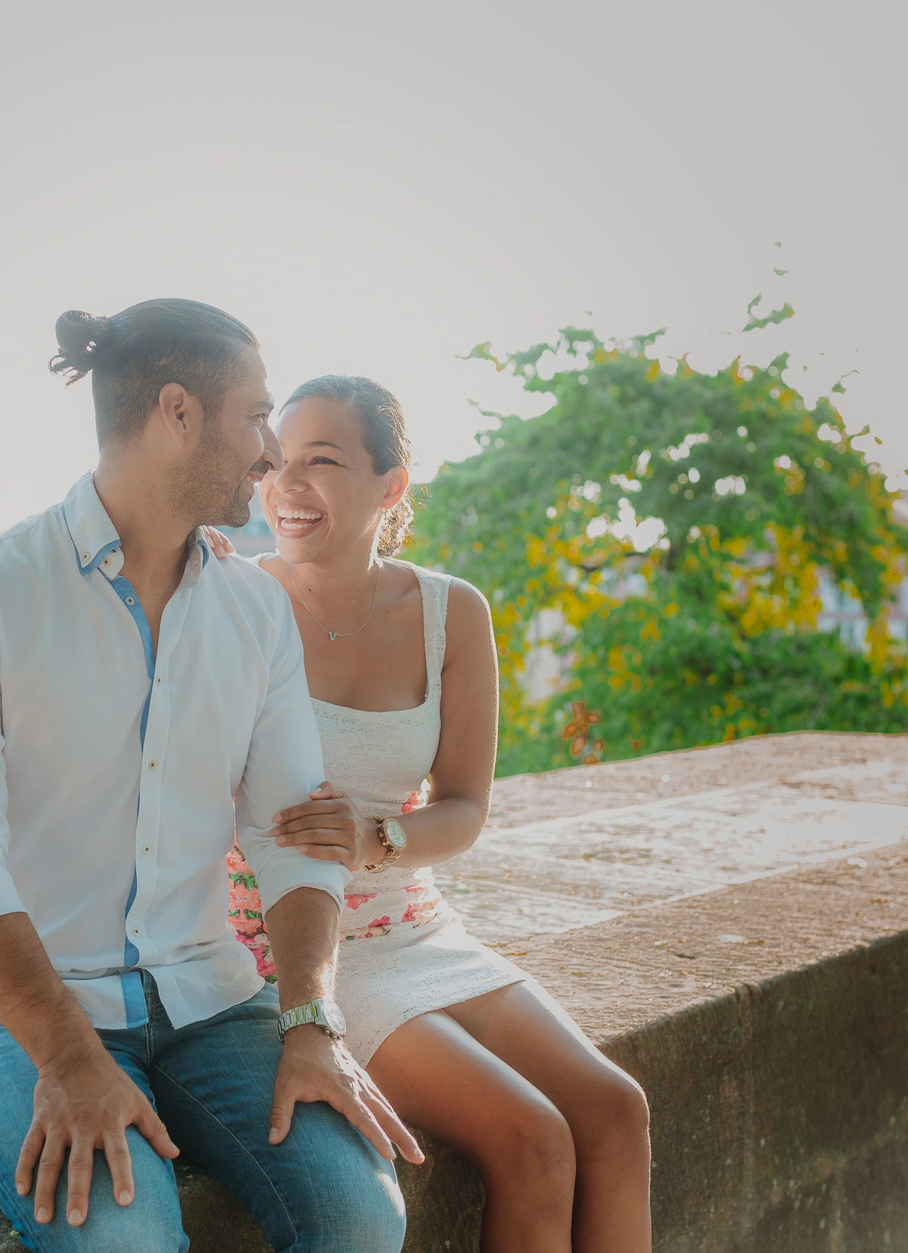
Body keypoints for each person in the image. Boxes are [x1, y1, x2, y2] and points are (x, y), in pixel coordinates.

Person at [0, 303, 420, 1253]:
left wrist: (311, 1019)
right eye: (257, 417)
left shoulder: (254, 608)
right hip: (19, 1019)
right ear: (177, 412)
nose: (271, 452)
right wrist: (65, 1052)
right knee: (123, 1243)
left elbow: (290, 830)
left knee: (360, 1216)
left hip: (211, 1004)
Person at [222, 375, 653, 1253]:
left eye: (324, 461)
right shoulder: (232, 601)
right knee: (533, 1137)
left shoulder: (452, 612)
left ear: (392, 485)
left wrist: (378, 837)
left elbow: (464, 807)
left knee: (616, 1109)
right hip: (290, 947)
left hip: (418, 929)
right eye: (280, 461)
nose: (286, 485)